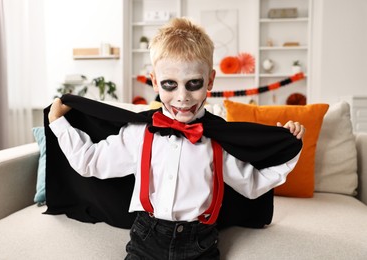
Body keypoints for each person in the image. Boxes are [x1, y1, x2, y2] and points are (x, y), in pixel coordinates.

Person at [48, 17, 305, 260]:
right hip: (146, 239)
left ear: (210, 80)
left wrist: (288, 149)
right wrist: (59, 124)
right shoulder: (138, 133)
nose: (182, 97)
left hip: (200, 242)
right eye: (170, 84)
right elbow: (90, 161)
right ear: (155, 82)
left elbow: (252, 185)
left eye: (193, 83)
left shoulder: (218, 137)